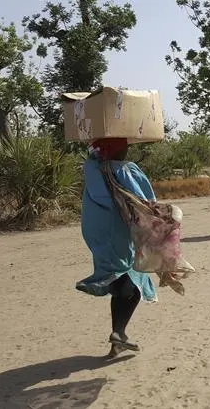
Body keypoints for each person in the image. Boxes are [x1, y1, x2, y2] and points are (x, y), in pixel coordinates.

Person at [76, 137, 156, 357]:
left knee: (118, 280)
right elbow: (145, 200)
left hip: (96, 231)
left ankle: (117, 340)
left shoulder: (92, 167)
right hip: (118, 231)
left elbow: (94, 153)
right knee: (133, 284)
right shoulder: (125, 170)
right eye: (125, 147)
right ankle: (119, 332)